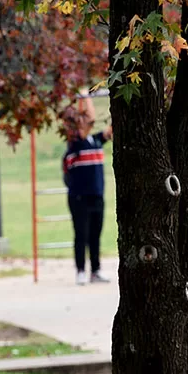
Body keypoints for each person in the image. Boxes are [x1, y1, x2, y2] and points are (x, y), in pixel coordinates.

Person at [61, 98, 110, 286]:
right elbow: (89, 119)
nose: (87, 124)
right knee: (81, 234)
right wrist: (86, 96)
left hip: (97, 196)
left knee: (95, 235)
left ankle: (95, 270)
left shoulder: (96, 141)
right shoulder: (75, 144)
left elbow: (109, 130)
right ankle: (81, 270)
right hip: (79, 198)